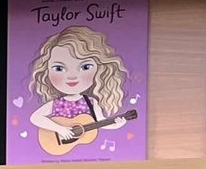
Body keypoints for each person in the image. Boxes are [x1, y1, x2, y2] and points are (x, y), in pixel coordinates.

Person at [24, 26, 131, 155]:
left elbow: (100, 122)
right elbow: (35, 118)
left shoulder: (90, 102)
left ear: (99, 70)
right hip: (58, 145)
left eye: (85, 67)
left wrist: (117, 124)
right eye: (59, 68)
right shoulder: (57, 103)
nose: (72, 76)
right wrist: (60, 129)